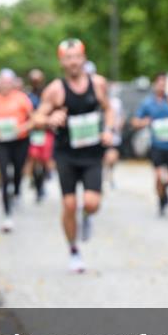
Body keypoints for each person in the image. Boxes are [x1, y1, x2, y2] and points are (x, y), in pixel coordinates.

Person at [34, 39, 116, 273]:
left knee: (92, 203)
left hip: (92, 153)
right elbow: (36, 118)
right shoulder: (55, 89)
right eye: (68, 58)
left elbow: (109, 109)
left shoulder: (97, 84)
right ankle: (73, 250)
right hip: (66, 154)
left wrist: (109, 130)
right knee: (69, 205)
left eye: (76, 57)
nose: (73, 62)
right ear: (61, 61)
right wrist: (49, 120)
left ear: (83, 58)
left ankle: (87, 217)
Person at [0, 69, 34, 233]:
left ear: (12, 84)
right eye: (2, 82)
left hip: (20, 141)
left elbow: (33, 119)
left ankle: (17, 191)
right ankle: (7, 215)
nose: (5, 86)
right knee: (4, 175)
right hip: (2, 141)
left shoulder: (22, 99)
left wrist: (22, 127)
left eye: (8, 82)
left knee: (18, 171)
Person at [132, 73, 168, 216]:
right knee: (159, 176)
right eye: (159, 82)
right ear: (155, 84)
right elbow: (135, 121)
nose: (161, 85)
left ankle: (164, 193)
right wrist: (144, 122)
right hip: (157, 146)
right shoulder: (147, 103)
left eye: (164, 83)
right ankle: (162, 200)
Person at [25, 69, 55, 202]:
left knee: (45, 159)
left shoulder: (48, 94)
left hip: (46, 131)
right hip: (33, 132)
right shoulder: (27, 97)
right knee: (34, 157)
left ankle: (43, 181)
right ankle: (36, 183)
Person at [103, 82, 124, 188]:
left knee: (112, 157)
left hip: (114, 135)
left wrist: (120, 125)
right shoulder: (100, 100)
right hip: (102, 134)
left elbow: (122, 116)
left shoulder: (117, 102)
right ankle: (105, 174)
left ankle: (110, 174)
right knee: (106, 156)